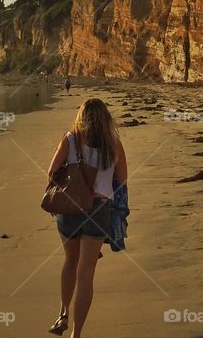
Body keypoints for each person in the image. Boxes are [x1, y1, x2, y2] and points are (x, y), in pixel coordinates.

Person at [46, 98, 127, 337]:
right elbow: (122, 180)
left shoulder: (70, 139)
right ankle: (76, 334)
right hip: (99, 209)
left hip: (69, 208)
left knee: (70, 260)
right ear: (106, 118)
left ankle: (62, 313)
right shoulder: (113, 144)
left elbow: (52, 172)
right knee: (86, 271)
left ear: (81, 117)